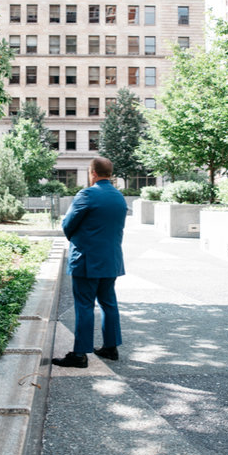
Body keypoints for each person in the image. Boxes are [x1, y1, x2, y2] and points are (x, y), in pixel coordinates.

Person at [54, 157, 128, 369]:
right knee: (108, 303)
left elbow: (68, 225)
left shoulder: (87, 194)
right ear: (110, 174)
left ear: (92, 173)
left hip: (87, 259)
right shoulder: (119, 197)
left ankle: (80, 355)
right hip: (111, 260)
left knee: (85, 306)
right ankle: (111, 347)